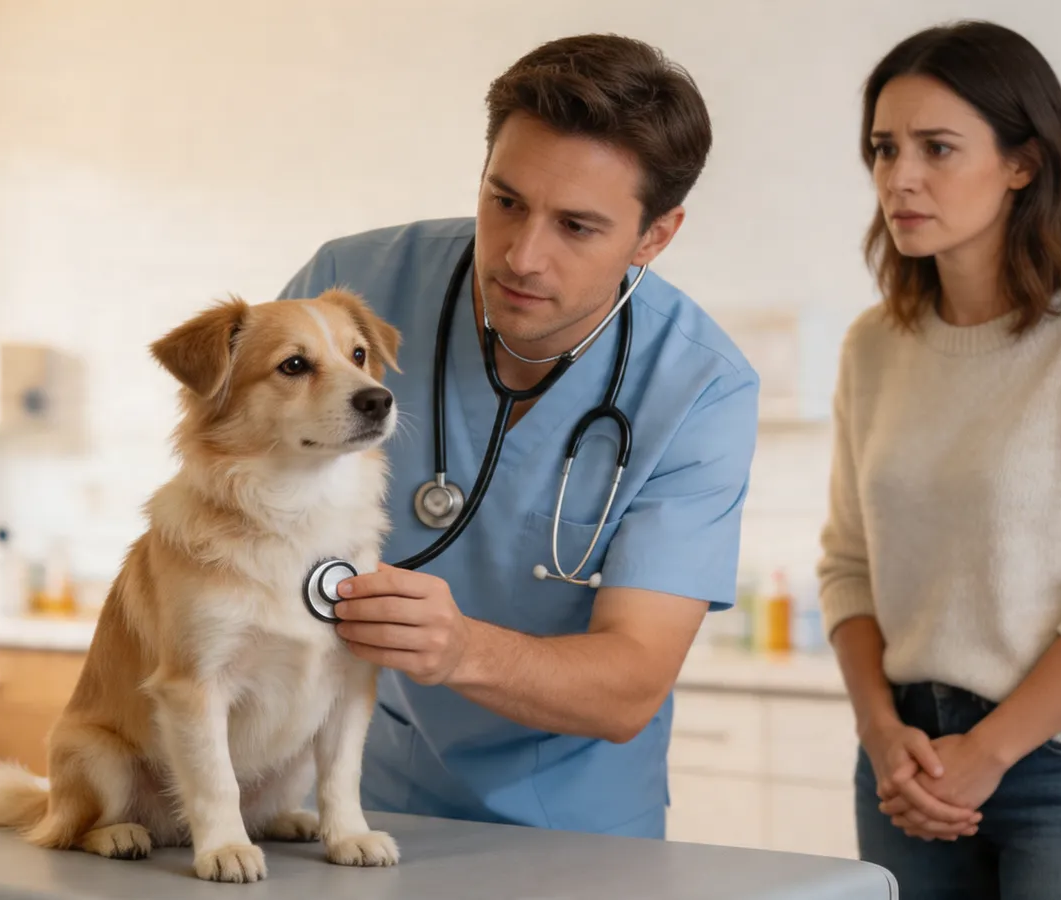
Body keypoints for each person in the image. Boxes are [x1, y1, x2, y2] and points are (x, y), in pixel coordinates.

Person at [273, 33, 759, 839]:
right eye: (505, 202)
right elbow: (240, 490)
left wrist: (461, 649)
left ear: (655, 236)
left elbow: (631, 682)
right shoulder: (354, 293)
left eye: (576, 226)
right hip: (354, 793)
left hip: (574, 828)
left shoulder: (699, 388)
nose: (522, 256)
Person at [816, 19, 1061, 899]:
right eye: (883, 148)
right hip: (907, 762)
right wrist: (881, 733)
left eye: (937, 148)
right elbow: (848, 568)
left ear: (1023, 162)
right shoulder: (873, 345)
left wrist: (988, 752)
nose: (898, 178)